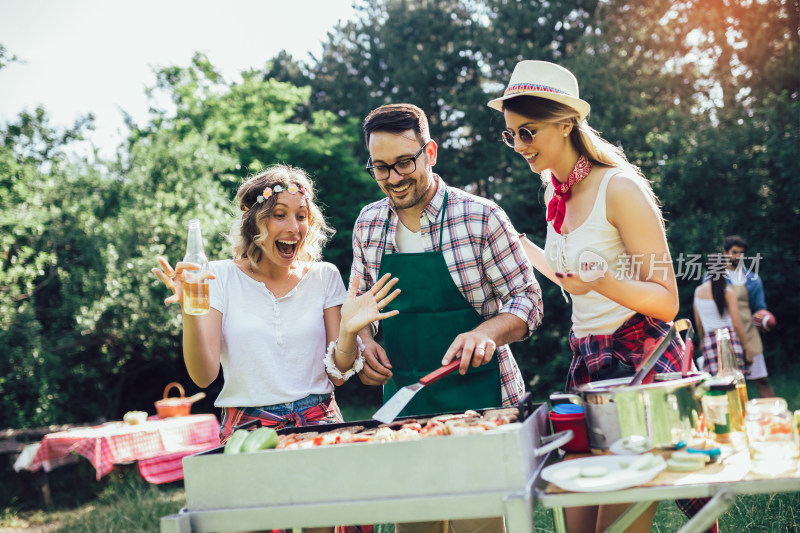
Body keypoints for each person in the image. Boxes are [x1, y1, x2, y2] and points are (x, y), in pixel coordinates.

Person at [487, 60, 708, 533]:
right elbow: (573, 278)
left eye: (527, 132)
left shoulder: (619, 187)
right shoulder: (556, 191)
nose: (519, 146)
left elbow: (667, 300)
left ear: (566, 124)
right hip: (589, 365)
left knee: (615, 525)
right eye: (511, 135)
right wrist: (519, 245)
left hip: (637, 365)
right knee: (576, 520)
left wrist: (603, 282)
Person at [347, 103, 542, 533]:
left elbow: (528, 299)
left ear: (430, 152)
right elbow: (359, 307)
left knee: (479, 525)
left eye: (404, 162)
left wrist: (487, 332)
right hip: (405, 405)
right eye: (381, 167)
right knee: (416, 525)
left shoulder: (481, 216)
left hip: (481, 404)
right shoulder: (368, 224)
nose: (394, 178)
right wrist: (365, 343)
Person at [151, 164, 399, 444]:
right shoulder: (218, 276)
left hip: (320, 422)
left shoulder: (325, 276)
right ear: (253, 222)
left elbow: (338, 375)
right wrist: (190, 310)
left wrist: (348, 331)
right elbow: (203, 377)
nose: (293, 228)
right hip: (247, 429)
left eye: (301, 216)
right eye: (279, 215)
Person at [720, 235, 776, 398]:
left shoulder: (753, 279)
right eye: (734, 252)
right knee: (728, 385)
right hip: (725, 335)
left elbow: (759, 308)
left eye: (741, 253)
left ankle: (773, 412)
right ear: (725, 253)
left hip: (749, 333)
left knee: (762, 380)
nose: (738, 256)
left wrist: (764, 320)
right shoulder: (714, 277)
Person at [693, 253, 751, 373]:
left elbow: (698, 324)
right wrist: (746, 346)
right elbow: (736, 324)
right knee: (735, 380)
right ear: (724, 269)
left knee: (716, 382)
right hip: (729, 339)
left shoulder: (698, 291)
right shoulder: (728, 292)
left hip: (709, 341)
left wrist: (702, 341)